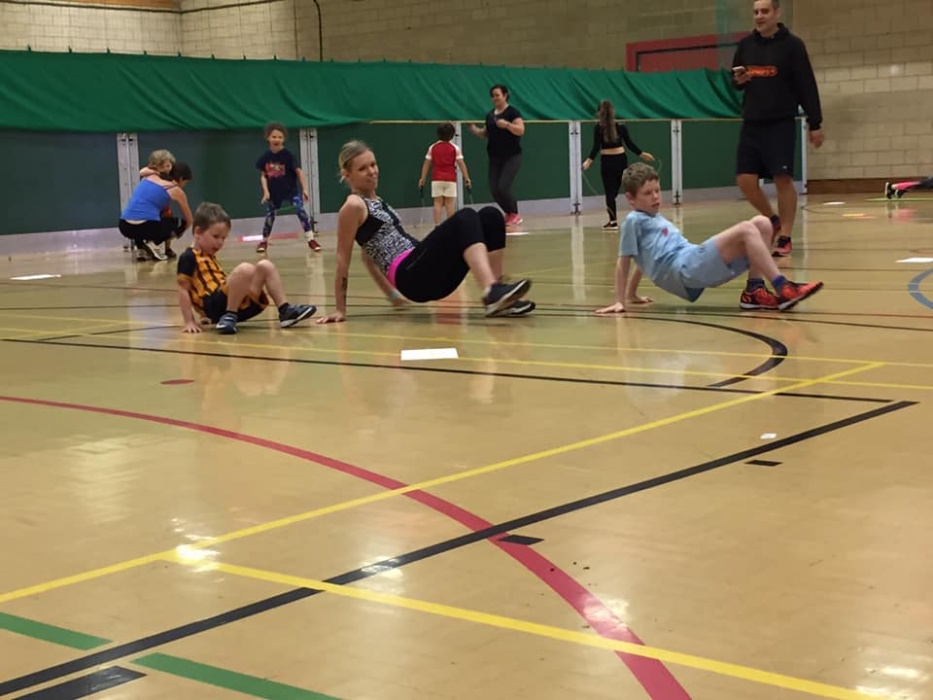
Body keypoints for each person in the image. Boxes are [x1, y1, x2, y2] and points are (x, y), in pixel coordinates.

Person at [316, 141, 534, 325]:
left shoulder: (377, 201)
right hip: (410, 275)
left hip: (425, 270)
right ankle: (491, 291)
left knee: (491, 216)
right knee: (465, 216)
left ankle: (499, 298)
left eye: (373, 164)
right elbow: (342, 259)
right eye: (363, 168)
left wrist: (393, 298)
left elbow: (368, 257)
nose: (372, 171)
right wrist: (340, 309)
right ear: (347, 174)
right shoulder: (353, 205)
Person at [595, 163, 823, 315]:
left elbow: (643, 259)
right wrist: (620, 301)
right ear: (630, 199)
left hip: (690, 259)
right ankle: (783, 287)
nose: (655, 197)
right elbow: (624, 261)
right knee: (746, 229)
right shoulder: (634, 221)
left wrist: (633, 294)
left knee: (762, 223)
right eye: (647, 193)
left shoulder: (654, 219)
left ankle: (754, 291)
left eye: (657, 190)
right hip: (684, 267)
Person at [732, 0, 823, 258]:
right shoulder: (745, 45)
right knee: (744, 180)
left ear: (777, 13)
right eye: (756, 12)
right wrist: (738, 81)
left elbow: (807, 85)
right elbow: (735, 80)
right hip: (752, 122)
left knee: (782, 179)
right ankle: (772, 220)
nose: (759, 16)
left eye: (764, 11)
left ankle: (785, 236)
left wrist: (815, 123)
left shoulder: (793, 46)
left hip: (780, 123)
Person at [176, 202, 318, 334]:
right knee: (245, 269)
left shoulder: (209, 255)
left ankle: (285, 310)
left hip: (224, 306)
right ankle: (229, 315)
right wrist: (189, 321)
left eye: (223, 238)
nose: (220, 242)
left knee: (265, 265)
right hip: (214, 305)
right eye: (216, 236)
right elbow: (184, 289)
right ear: (198, 232)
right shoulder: (189, 256)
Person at [582, 100, 655, 231]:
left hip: (607, 162)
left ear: (599, 113)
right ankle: (643, 215)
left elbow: (595, 148)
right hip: (621, 160)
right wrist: (642, 154)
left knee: (610, 192)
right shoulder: (621, 126)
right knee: (622, 190)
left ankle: (613, 221)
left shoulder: (598, 127)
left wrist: (588, 162)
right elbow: (629, 144)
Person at [255, 121, 321, 253]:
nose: (277, 139)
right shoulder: (265, 157)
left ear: (283, 139)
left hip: (291, 191)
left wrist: (305, 189)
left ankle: (310, 239)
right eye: (274, 136)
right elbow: (263, 176)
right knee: (270, 216)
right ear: (268, 138)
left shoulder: (288, 156)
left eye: (280, 137)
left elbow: (298, 171)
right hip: (274, 193)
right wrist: (266, 192)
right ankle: (264, 241)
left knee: (300, 211)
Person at [468, 84, 525, 228]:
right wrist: (473, 129)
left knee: (503, 186)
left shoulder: (513, 112)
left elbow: (520, 130)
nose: (495, 98)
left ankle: (515, 214)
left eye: (497, 95)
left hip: (512, 156)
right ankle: (509, 213)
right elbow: (484, 134)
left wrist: (507, 125)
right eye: (493, 96)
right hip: (494, 158)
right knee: (494, 189)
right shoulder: (490, 115)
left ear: (505, 96)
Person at [119, 162, 193, 262]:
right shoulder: (175, 189)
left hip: (124, 225)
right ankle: (153, 242)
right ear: (181, 179)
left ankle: (141, 248)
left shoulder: (149, 177)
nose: (184, 185)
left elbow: (142, 171)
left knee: (143, 218)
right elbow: (189, 220)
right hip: (148, 226)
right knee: (181, 223)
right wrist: (178, 233)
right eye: (185, 182)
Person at [418, 122, 472, 225]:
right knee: (449, 203)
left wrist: (422, 178)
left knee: (437, 203)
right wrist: (467, 178)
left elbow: (426, 164)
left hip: (436, 179)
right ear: (452, 135)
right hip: (450, 179)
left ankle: (437, 225)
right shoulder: (455, 148)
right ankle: (451, 226)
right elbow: (461, 164)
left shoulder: (432, 147)